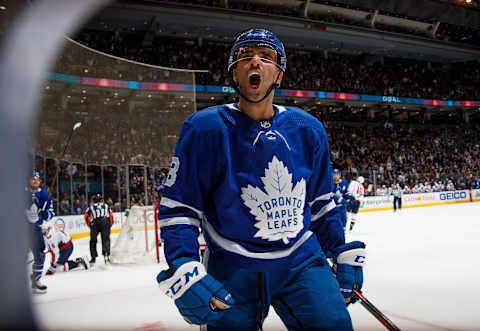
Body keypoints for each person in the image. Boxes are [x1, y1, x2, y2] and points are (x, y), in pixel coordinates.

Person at [156, 29, 366, 330]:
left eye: (266, 57)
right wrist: (184, 263)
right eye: (245, 56)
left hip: (301, 261)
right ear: (234, 71)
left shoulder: (307, 128)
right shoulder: (204, 129)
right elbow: (180, 209)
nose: (255, 62)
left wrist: (338, 249)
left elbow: (321, 203)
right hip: (232, 265)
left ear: (279, 75)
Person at [25, 170, 54, 294]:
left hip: (35, 228)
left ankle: (35, 281)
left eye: (37, 179)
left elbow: (51, 214)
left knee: (40, 254)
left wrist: (45, 214)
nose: (35, 180)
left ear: (40, 181)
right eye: (32, 178)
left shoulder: (45, 195)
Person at [85, 194, 113, 265]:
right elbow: (111, 216)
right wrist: (109, 225)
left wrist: (90, 225)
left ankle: (93, 257)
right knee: (106, 239)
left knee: (93, 240)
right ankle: (106, 254)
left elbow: (86, 217)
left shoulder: (91, 207)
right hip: (105, 222)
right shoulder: (106, 206)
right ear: (101, 200)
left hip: (95, 223)